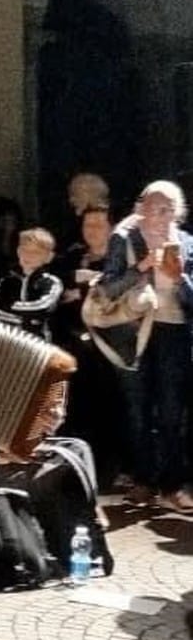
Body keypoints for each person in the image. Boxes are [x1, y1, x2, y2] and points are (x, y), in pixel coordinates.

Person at [95, 181, 193, 511]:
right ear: (142, 209)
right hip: (133, 330)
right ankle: (143, 479)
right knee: (137, 407)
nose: (162, 216)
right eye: (155, 208)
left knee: (171, 411)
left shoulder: (187, 243)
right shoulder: (124, 238)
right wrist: (141, 267)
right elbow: (107, 289)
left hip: (174, 331)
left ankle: (172, 483)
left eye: (168, 210)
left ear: (178, 212)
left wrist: (179, 278)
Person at [53, 204, 126, 487]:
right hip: (73, 346)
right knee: (75, 408)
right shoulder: (73, 256)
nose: (92, 230)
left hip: (109, 346)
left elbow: (114, 295)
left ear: (111, 228)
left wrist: (82, 290)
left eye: (98, 225)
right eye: (87, 225)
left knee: (108, 409)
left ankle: (110, 471)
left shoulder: (119, 260)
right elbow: (57, 287)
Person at [0, 227, 63, 340]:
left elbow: (41, 307)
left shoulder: (52, 283)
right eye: (25, 250)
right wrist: (29, 320)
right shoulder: (6, 281)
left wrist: (9, 307)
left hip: (38, 342)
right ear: (18, 251)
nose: (29, 256)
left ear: (48, 257)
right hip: (7, 340)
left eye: (36, 252)